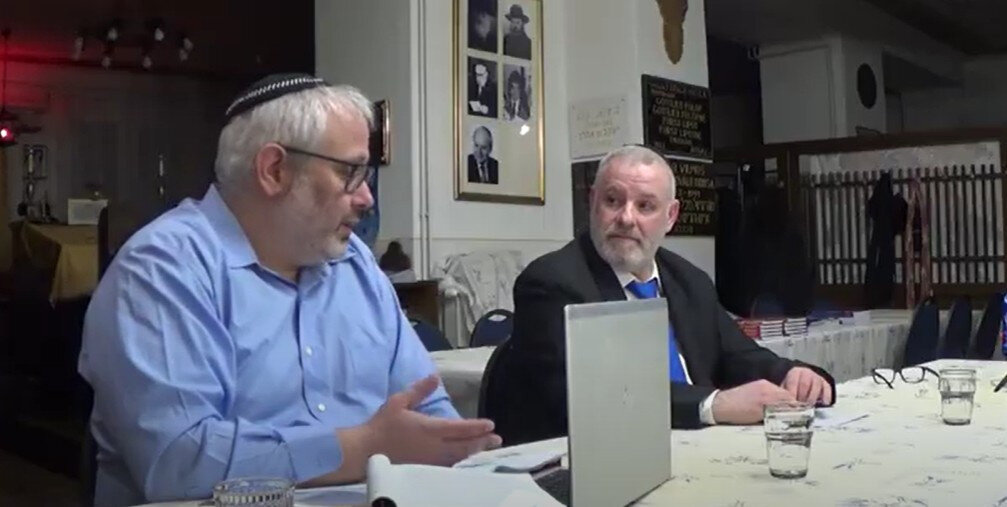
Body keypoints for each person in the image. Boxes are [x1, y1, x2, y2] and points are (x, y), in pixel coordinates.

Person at [78, 74, 500, 507]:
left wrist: (457, 448)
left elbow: (427, 409)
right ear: (274, 170)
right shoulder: (162, 269)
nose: (366, 198)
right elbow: (178, 461)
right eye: (350, 172)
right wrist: (363, 448)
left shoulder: (354, 264)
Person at [494, 145, 835, 445]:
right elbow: (592, 395)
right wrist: (712, 405)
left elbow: (737, 355)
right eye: (612, 201)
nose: (626, 218)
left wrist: (790, 374)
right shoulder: (552, 283)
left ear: (671, 216)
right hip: (598, 457)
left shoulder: (690, 281)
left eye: (645, 206)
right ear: (592, 201)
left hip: (699, 447)